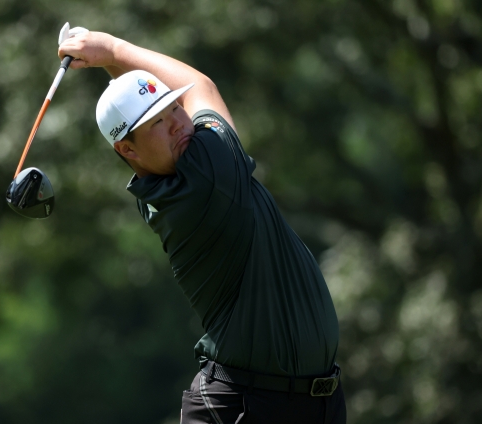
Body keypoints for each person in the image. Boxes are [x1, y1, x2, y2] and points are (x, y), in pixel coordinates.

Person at [59, 28, 346, 424]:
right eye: (158, 122)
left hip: (297, 403)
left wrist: (116, 70)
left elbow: (185, 103)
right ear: (127, 150)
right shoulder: (207, 177)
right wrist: (113, 50)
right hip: (247, 406)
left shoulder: (164, 183)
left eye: (174, 108)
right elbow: (201, 89)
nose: (179, 123)